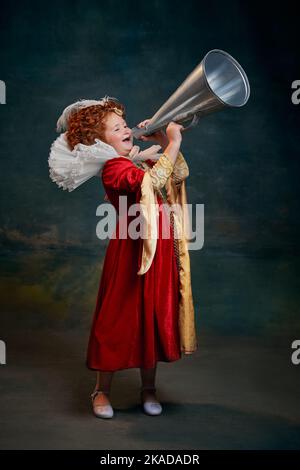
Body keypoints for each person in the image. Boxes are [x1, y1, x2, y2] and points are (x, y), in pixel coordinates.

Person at [63, 97, 198, 418]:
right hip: (131, 253)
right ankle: (101, 390)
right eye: (117, 128)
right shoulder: (114, 167)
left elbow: (176, 174)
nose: (126, 129)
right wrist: (173, 142)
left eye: (125, 124)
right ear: (100, 141)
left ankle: (148, 388)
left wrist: (165, 141)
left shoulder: (145, 159)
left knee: (152, 316)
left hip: (160, 253)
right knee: (118, 319)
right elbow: (149, 184)